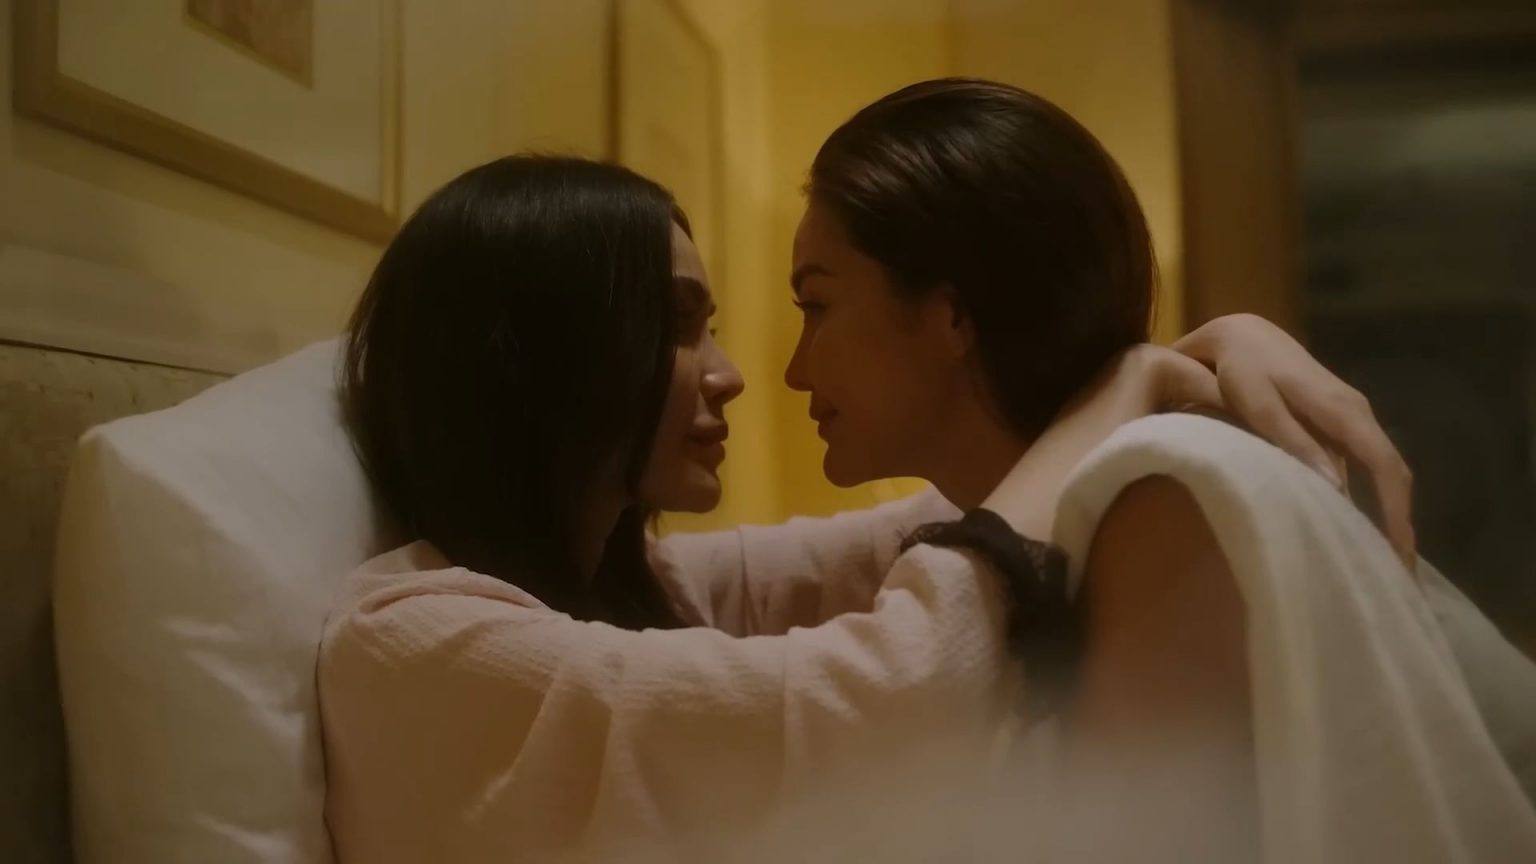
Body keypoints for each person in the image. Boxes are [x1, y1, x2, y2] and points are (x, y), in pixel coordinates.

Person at [318, 83, 1532, 862]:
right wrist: (1139, 376)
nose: (748, 374)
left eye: (810, 306)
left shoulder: (650, 590)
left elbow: (933, 537)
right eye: (682, 328)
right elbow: (895, 679)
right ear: (546, 356)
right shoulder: (414, 644)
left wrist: (1209, 348)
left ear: (950, 314)